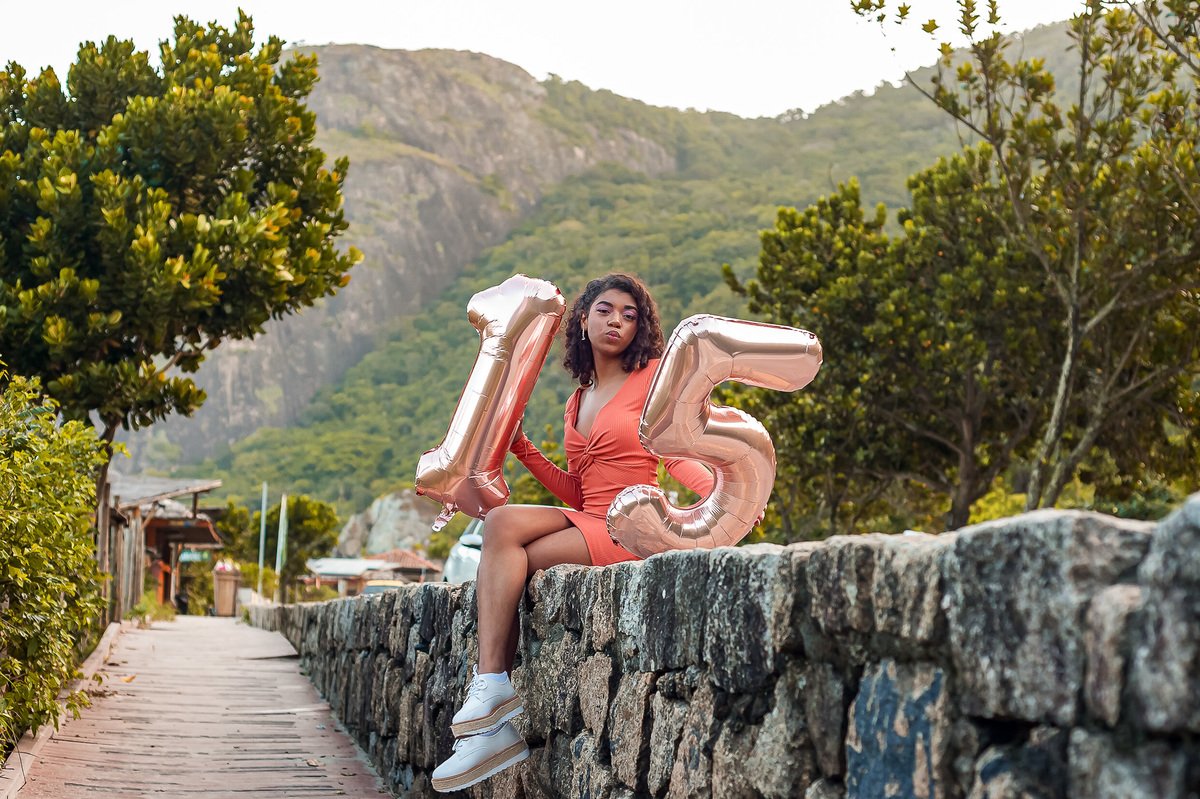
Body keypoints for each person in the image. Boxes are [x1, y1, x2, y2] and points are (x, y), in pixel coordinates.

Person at [431, 274, 715, 793]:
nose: (617, 322)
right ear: (583, 319)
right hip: (592, 514)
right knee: (499, 524)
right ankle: (491, 696)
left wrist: (719, 493)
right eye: (606, 310)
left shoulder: (651, 377)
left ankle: (490, 701)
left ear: (641, 329)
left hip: (632, 524)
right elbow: (579, 490)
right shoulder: (576, 400)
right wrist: (522, 449)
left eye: (630, 316)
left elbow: (674, 451)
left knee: (508, 553)